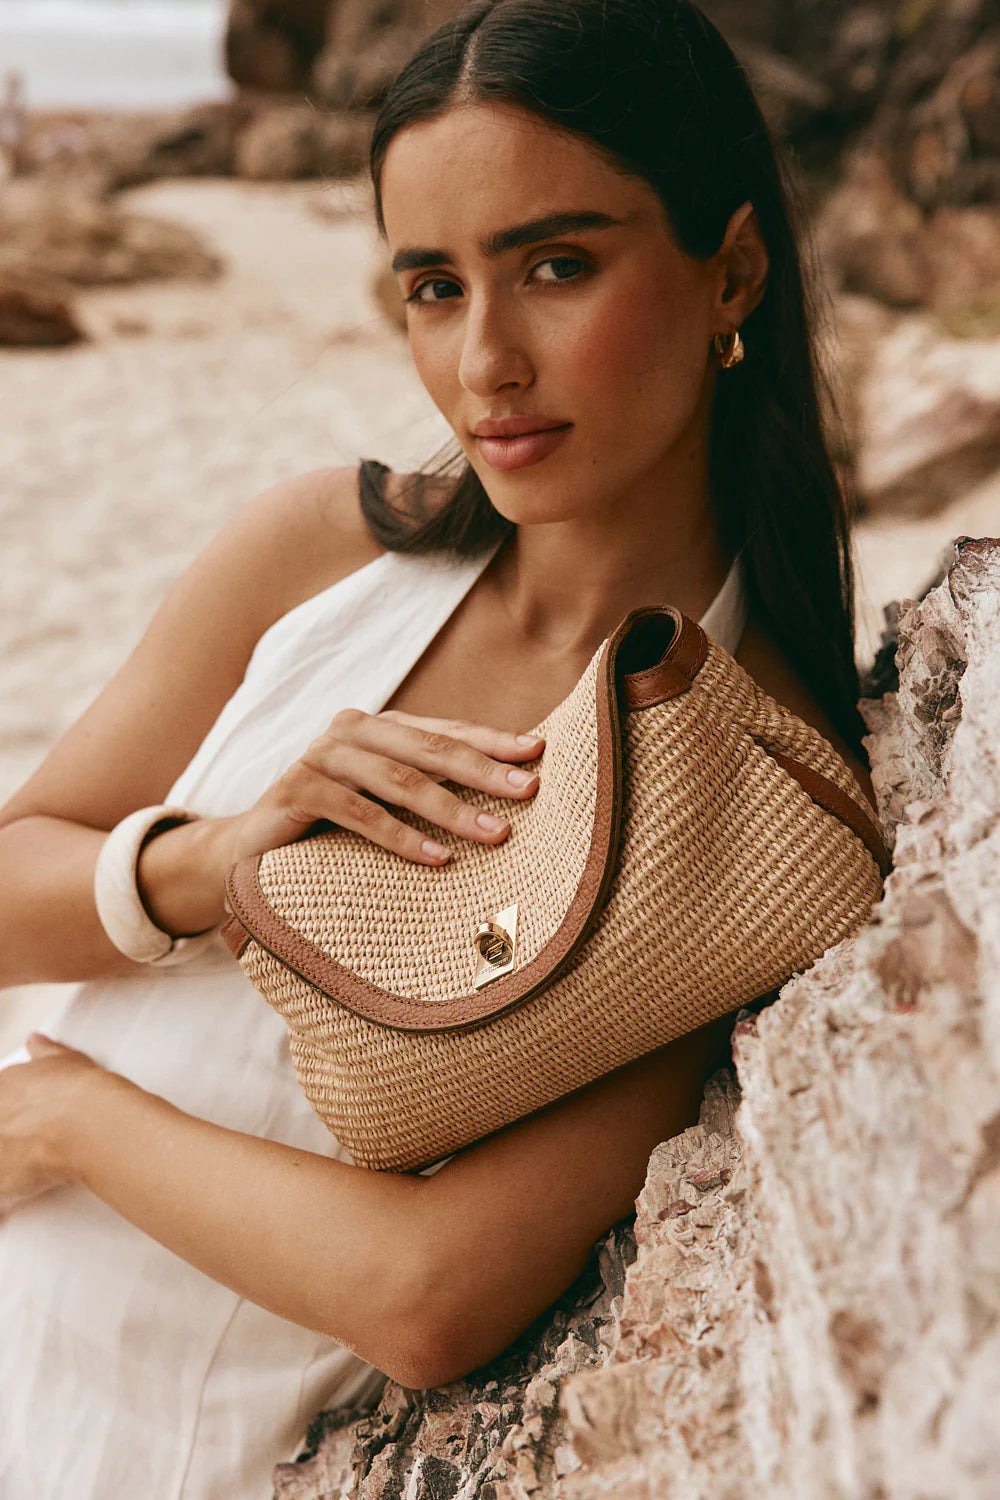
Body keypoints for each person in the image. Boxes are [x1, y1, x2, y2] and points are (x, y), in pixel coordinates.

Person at [0, 2, 878, 1495]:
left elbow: (427, 1296)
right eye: (433, 286)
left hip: (168, 1453)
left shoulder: (751, 790)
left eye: (558, 266)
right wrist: (217, 865)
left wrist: (68, 1119)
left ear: (730, 270)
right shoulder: (319, 555)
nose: (485, 362)